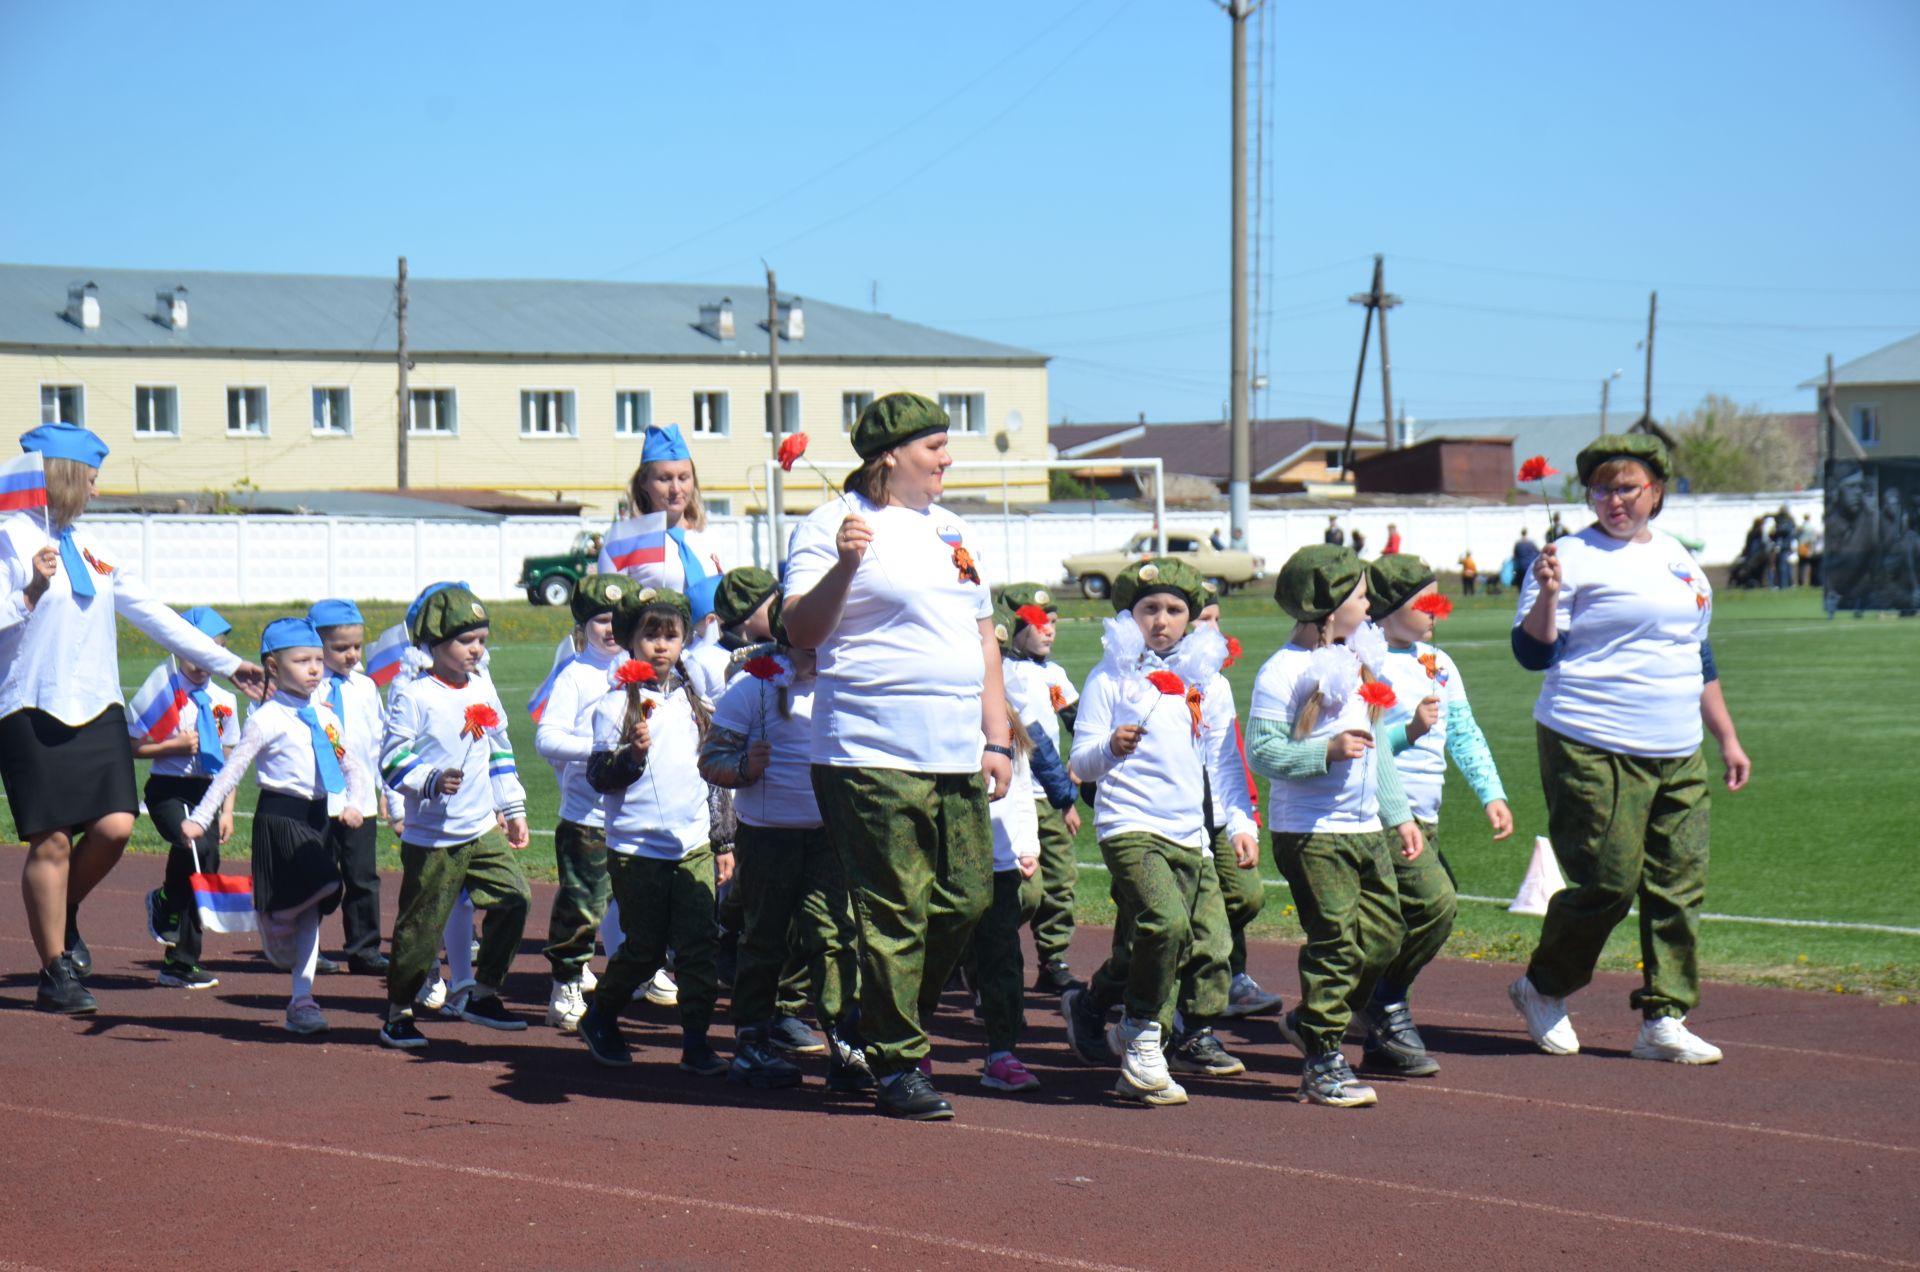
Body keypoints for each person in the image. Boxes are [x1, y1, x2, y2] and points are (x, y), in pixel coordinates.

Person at [782, 391, 1012, 1122]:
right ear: (890, 456)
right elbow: (802, 633)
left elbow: (984, 641)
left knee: (968, 898)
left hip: (953, 749)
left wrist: (998, 737)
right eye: (935, 447)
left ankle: (868, 1025)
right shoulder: (832, 525)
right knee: (896, 907)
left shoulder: (950, 529)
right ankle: (899, 1064)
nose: (948, 459)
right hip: (868, 747)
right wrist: (845, 566)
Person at [0, 421, 265, 1014]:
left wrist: (227, 664)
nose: (95, 491)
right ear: (63, 477)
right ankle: (54, 971)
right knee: (51, 841)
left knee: (117, 826)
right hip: (28, 706)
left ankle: (61, 911)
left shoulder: (95, 549)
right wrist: (30, 592)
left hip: (98, 706)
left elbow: (156, 615)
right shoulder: (9, 538)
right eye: (90, 479)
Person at [1510, 434, 1751, 1065]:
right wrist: (1550, 594)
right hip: (1591, 738)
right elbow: (1533, 654)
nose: (1614, 499)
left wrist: (1725, 735)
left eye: (1628, 487)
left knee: (1678, 884)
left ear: (1657, 492)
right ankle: (1543, 986)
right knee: (1609, 883)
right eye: (1601, 488)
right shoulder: (1565, 555)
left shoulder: (1678, 559)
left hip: (1678, 746)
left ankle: (1664, 1017)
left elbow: (1696, 654)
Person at [1063, 558, 1255, 1107]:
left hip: (1188, 830)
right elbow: (1081, 759)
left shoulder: (1208, 683)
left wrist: (1239, 823)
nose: (1162, 620)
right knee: (1166, 924)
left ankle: (1101, 1009)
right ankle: (1146, 1040)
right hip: (1128, 823)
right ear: (1131, 615)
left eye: (1175, 610)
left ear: (1192, 619)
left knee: (1191, 942)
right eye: (1150, 609)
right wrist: (1110, 748)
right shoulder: (1109, 676)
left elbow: (1222, 764)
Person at [1246, 544, 1421, 1108]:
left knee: (1385, 938)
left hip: (1365, 827)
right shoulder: (1283, 670)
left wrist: (1398, 814)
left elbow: (1376, 752)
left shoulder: (1358, 657)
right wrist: (1325, 752)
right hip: (1312, 833)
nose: (1370, 603)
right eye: (1361, 594)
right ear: (1327, 605)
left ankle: (1310, 1021)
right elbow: (1264, 751)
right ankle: (1323, 1057)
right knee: (1337, 944)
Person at [701, 584, 871, 1092]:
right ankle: (752, 1045)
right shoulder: (752, 689)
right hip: (768, 838)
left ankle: (847, 1045)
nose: (819, 653)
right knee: (764, 940)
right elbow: (711, 761)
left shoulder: (846, 686)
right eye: (809, 644)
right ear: (786, 639)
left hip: (827, 839)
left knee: (833, 937)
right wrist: (744, 768)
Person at [179, 618, 370, 1034]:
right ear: (273, 666)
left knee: (314, 914)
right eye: (302, 661)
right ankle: (274, 913)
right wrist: (201, 817)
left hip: (318, 817)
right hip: (280, 819)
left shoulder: (326, 716)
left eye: (318, 659)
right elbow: (232, 771)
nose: (315, 668)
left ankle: (302, 1000)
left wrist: (356, 803)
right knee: (328, 884)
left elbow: (351, 764)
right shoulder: (266, 719)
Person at [1366, 555, 1513, 1077]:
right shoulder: (1365, 660)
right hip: (1381, 814)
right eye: (1422, 601)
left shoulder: (1439, 662)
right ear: (1384, 610)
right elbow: (1354, 746)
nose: (1435, 609)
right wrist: (1409, 729)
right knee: (1435, 904)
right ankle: (1383, 1003)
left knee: (1395, 921)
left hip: (1424, 816)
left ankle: (1368, 1020)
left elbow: (1465, 732)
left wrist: (1490, 793)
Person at [577, 587, 732, 1078]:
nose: (661, 646)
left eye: (671, 635)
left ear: (686, 640)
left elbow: (711, 777)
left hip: (693, 845)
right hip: (637, 847)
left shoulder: (694, 702)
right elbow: (600, 775)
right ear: (629, 640)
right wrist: (632, 756)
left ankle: (696, 1041)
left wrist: (723, 841)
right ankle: (600, 1014)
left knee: (699, 944)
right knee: (643, 948)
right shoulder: (613, 706)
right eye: (650, 635)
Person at [378, 584, 533, 1050]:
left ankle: (482, 993)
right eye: (467, 641)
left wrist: (512, 807)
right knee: (421, 927)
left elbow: (499, 749)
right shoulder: (413, 694)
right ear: (435, 643)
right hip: (433, 834)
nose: (477, 649)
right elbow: (391, 759)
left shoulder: (483, 685)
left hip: (481, 825)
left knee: (516, 898)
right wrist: (429, 778)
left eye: (482, 639)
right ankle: (398, 1012)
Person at [531, 574, 627, 1033]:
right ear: (583, 625)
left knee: (640, 901)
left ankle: (640, 975)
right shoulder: (575, 674)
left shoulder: (642, 668)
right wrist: (599, 750)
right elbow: (547, 738)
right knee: (583, 905)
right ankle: (565, 982)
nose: (611, 629)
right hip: (588, 814)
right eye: (601, 620)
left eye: (619, 619)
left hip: (637, 813)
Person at [133, 606, 242, 990]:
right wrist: (172, 745)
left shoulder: (224, 699)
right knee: (194, 846)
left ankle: (179, 957)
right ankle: (171, 921)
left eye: (210, 653)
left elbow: (231, 758)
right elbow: (132, 746)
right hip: (168, 789)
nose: (199, 664)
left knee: (205, 861)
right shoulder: (163, 691)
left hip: (208, 792)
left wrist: (228, 810)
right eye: (192, 654)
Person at [964, 603, 1048, 1093]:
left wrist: (1027, 844)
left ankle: (1002, 1051)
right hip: (940, 861)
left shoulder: (1004, 722)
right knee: (930, 953)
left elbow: (1019, 789)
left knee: (1002, 956)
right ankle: (907, 1051)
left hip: (996, 857)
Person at [998, 582, 1083, 994]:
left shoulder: (1055, 675)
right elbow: (1033, 739)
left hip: (1049, 795)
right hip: (1017, 794)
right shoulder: (1005, 672)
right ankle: (988, 952)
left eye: (1052, 622)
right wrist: (1065, 792)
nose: (1048, 630)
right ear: (1014, 628)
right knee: (1020, 890)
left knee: (1060, 881)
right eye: (1036, 623)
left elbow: (1080, 723)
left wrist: (1086, 762)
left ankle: (1053, 959)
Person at [307, 599, 390, 975]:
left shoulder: (366, 687)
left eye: (356, 646)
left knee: (362, 876)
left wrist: (384, 789)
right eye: (340, 648)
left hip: (360, 798)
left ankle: (364, 948)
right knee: (317, 876)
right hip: (319, 797)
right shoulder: (307, 689)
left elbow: (378, 741)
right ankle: (308, 948)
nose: (351, 655)